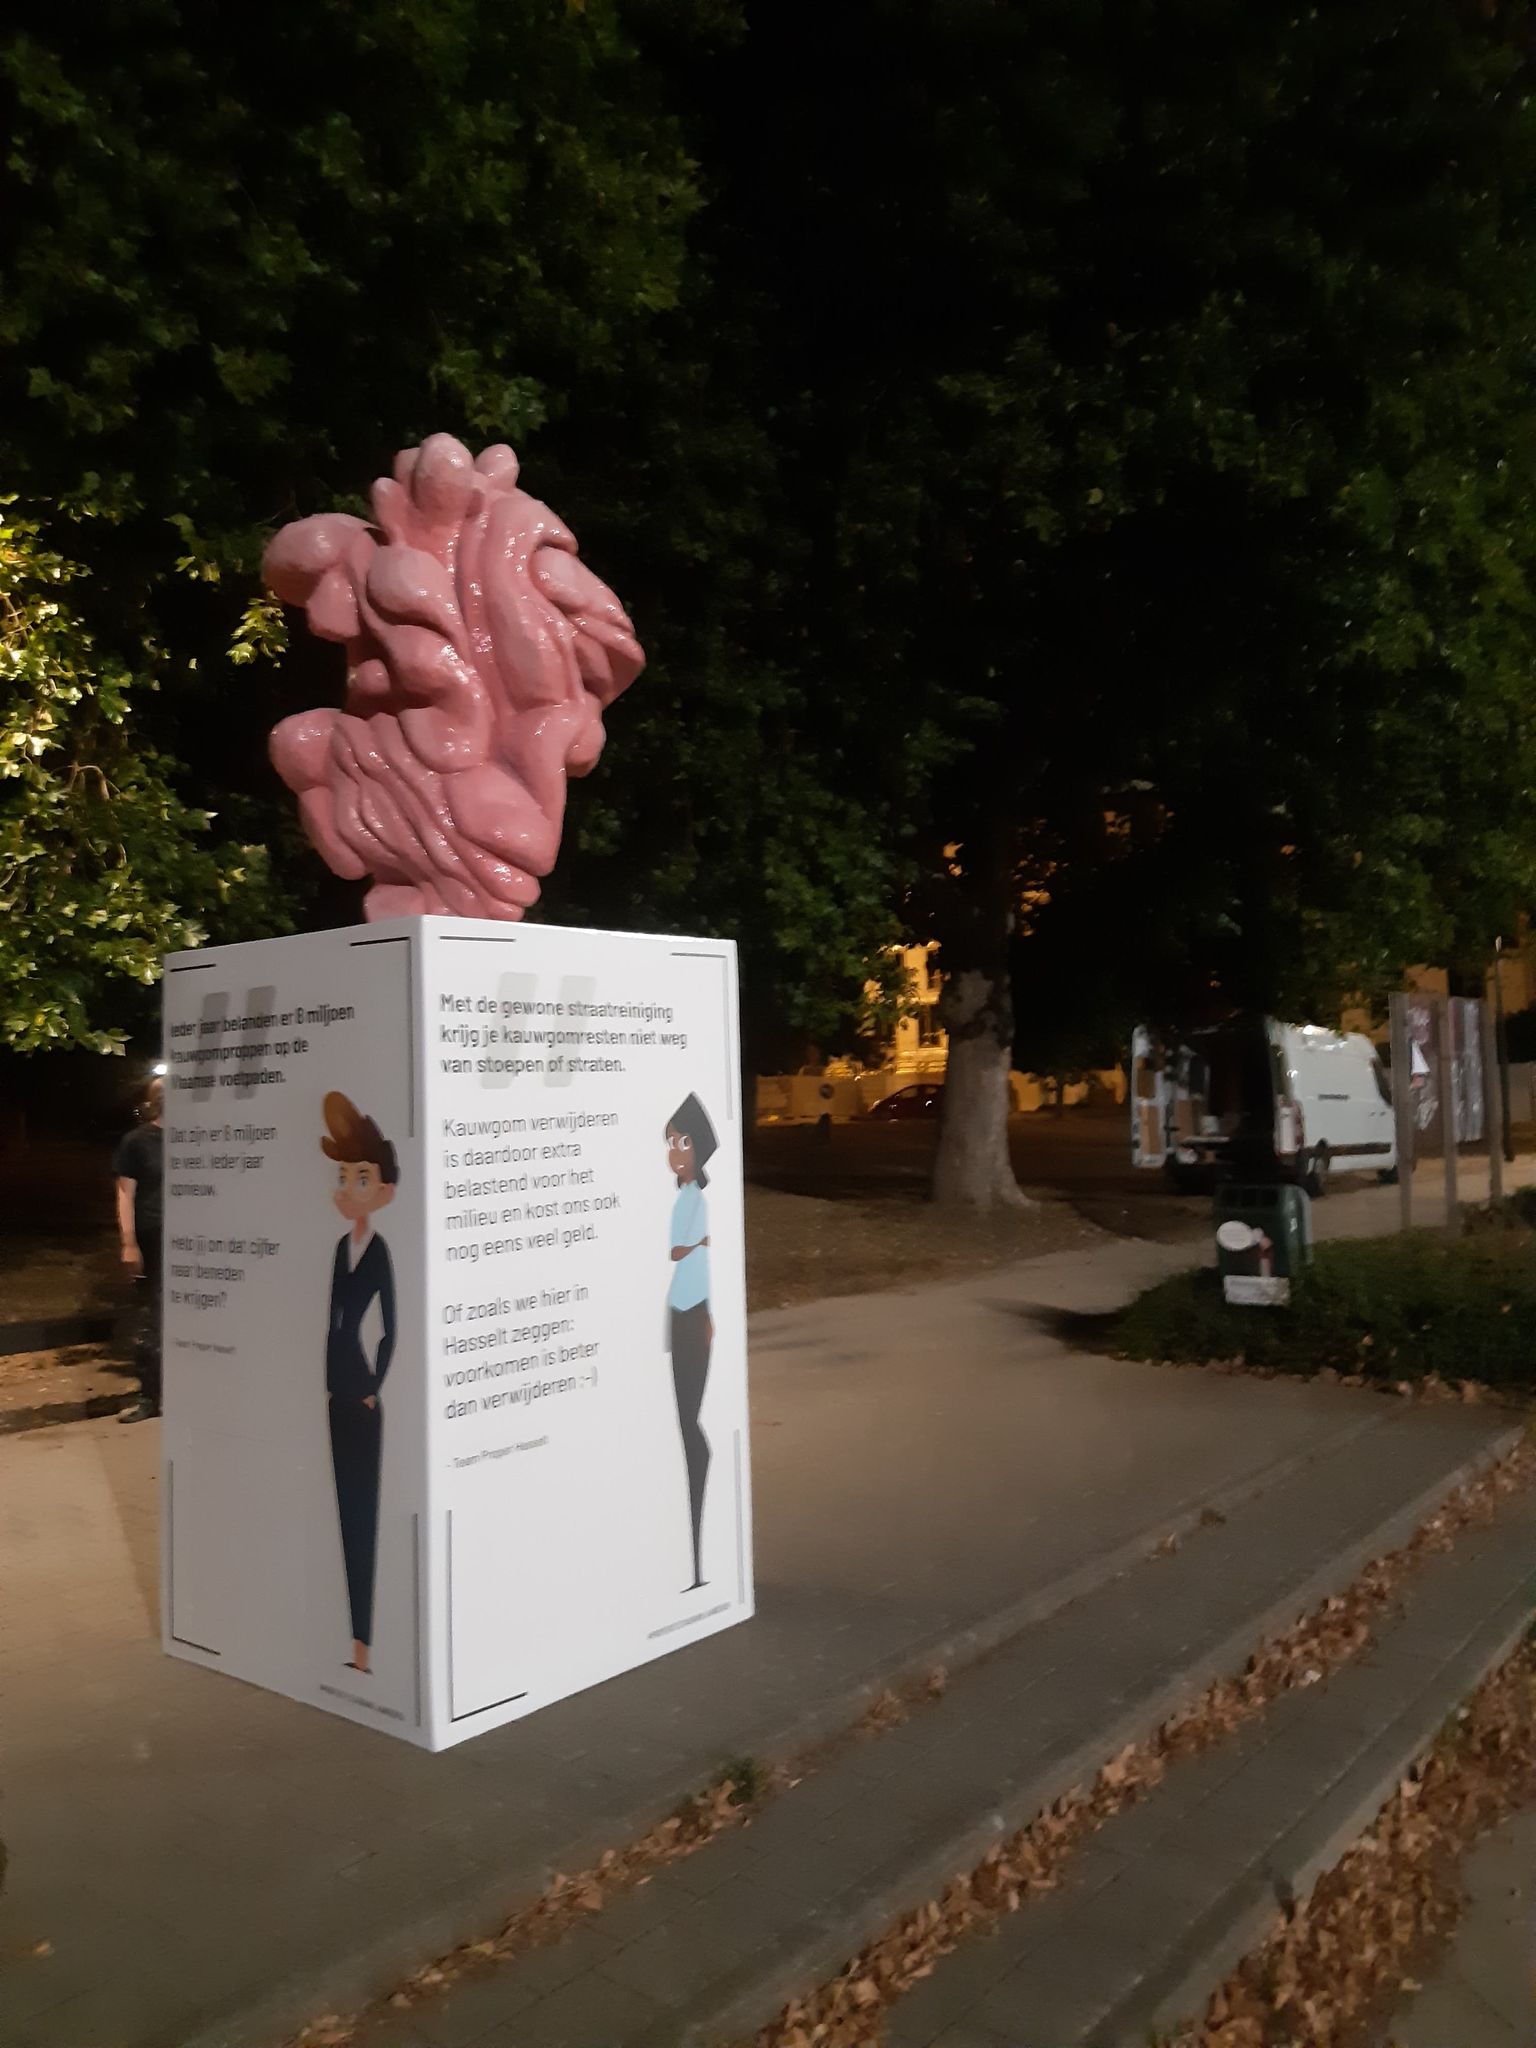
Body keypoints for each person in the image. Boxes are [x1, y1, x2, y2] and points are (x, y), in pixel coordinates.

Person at [320, 1091, 399, 1676]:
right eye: (345, 1175)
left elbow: (391, 1325)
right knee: (344, 1511)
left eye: (361, 1176)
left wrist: (375, 1380)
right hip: (334, 1388)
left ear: (384, 1188)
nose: (349, 1187)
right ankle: (352, 1642)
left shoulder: (380, 1251)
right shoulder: (337, 1250)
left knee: (364, 1513)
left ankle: (365, 1643)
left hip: (361, 1392)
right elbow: (334, 1320)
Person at [665, 1093, 719, 1592]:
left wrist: (690, 1246)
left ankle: (700, 1558)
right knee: (682, 1421)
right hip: (681, 1317)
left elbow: (681, 1253)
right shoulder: (685, 1199)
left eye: (682, 1142)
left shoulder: (694, 1200)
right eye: (671, 1142)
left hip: (690, 1317)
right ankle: (695, 1561)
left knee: (687, 1421)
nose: (674, 1151)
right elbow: (686, 1253)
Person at [114, 1076, 165, 1423]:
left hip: (192, 1243)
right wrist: (129, 1242)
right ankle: (149, 1398)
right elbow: (124, 1194)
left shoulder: (196, 1138)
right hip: (153, 1238)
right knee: (153, 1318)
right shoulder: (137, 1141)